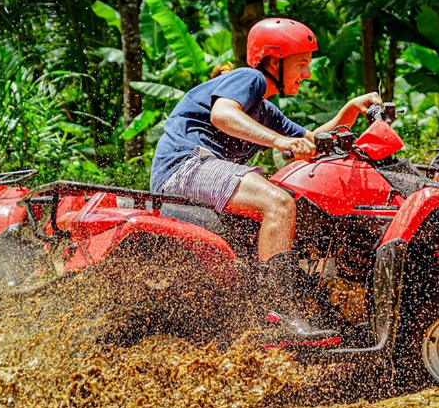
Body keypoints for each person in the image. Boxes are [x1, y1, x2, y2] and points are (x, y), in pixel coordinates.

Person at [150, 18, 382, 340]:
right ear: (275, 61)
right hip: (185, 166)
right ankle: (276, 311)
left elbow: (312, 141)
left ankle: (263, 302)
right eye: (301, 64)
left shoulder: (265, 111)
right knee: (277, 202)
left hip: (199, 171)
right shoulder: (249, 78)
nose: (308, 74)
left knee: (288, 207)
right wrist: (280, 142)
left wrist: (350, 110)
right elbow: (223, 115)